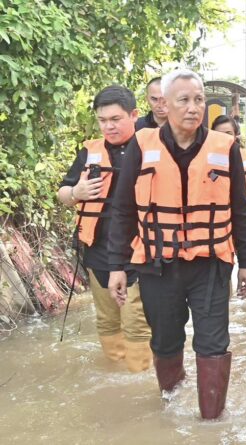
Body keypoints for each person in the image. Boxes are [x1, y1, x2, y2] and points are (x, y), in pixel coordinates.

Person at [107, 69, 246, 420]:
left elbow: (241, 210)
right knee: (165, 342)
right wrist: (118, 266)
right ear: (165, 105)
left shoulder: (225, 147)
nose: (193, 107)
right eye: (184, 100)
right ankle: (171, 411)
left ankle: (210, 424)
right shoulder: (142, 146)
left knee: (213, 344)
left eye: (199, 99)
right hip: (158, 266)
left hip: (211, 264)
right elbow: (123, 210)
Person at [57, 85, 152, 373]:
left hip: (141, 249)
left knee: (137, 320)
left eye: (115, 119)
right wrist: (77, 192)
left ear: (134, 115)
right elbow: (61, 193)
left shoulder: (153, 148)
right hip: (98, 249)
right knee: (108, 318)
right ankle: (115, 379)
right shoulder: (90, 152)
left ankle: (139, 378)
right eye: (102, 120)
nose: (108, 126)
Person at [212, 115, 246, 296]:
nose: (224, 138)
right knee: (222, 260)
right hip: (219, 220)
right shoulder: (206, 160)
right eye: (218, 134)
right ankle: (224, 301)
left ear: (236, 135)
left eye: (228, 133)